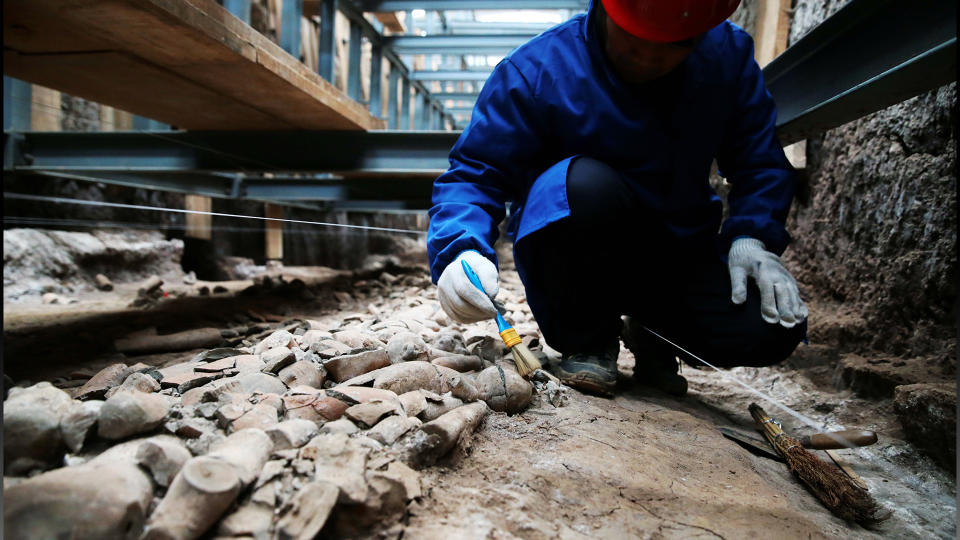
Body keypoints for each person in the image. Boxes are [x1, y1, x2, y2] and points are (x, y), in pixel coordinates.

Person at [427, 0, 808, 397]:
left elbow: (759, 161)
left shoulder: (726, 57)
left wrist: (752, 238)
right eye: (635, 40)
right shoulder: (538, 69)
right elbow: (476, 172)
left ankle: (652, 332)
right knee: (581, 185)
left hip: (675, 257)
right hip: (575, 255)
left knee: (774, 325)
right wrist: (460, 248)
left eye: (673, 44)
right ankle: (587, 337)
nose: (648, 58)